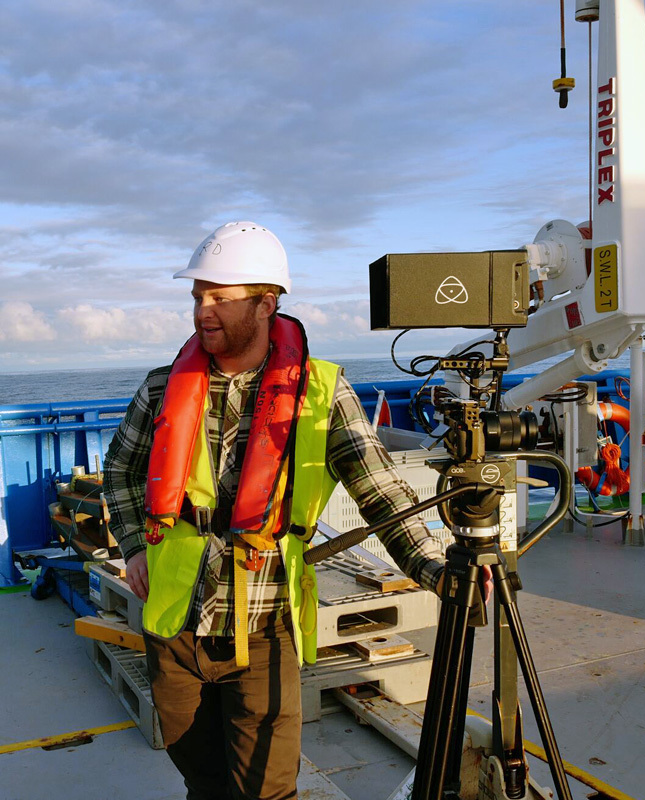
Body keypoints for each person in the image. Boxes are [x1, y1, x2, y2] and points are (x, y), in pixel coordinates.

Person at [102, 220, 449, 800]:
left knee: (267, 790)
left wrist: (435, 566)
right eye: (196, 297)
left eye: (218, 298)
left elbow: (381, 490)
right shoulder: (164, 387)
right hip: (175, 626)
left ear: (266, 304)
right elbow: (120, 472)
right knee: (203, 780)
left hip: (265, 625)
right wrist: (136, 546)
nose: (201, 311)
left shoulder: (321, 392)